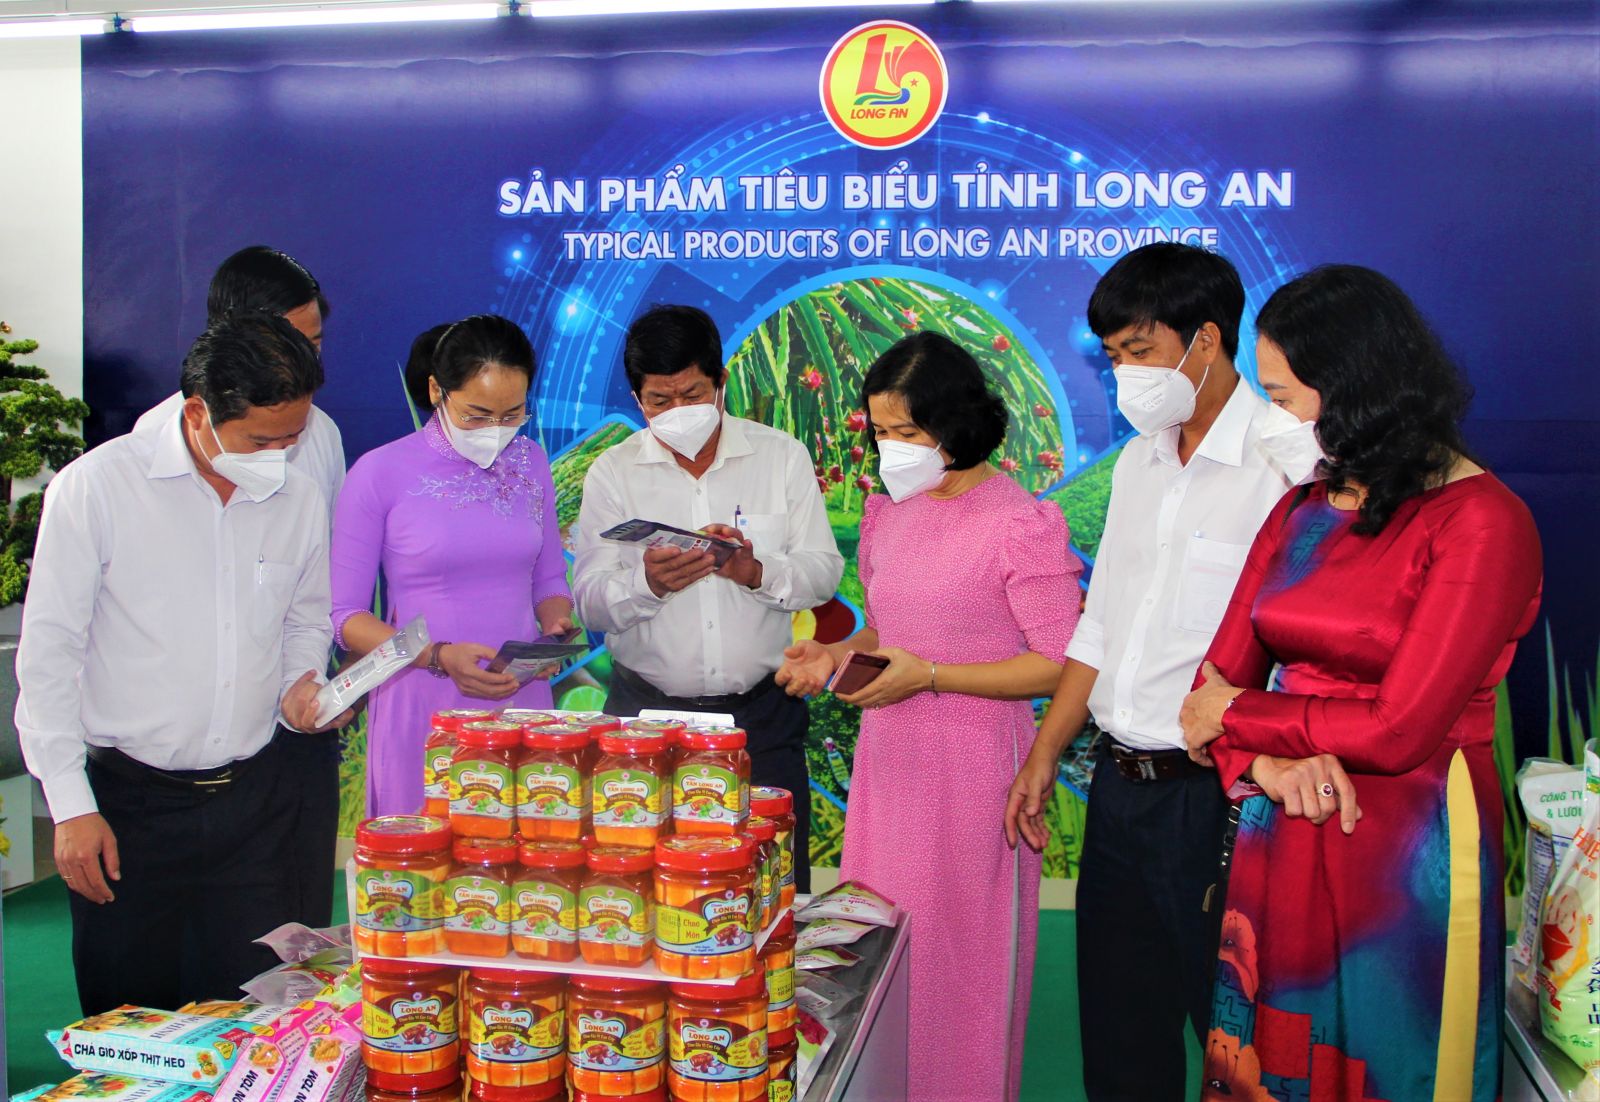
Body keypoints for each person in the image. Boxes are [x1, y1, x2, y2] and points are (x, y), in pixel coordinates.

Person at [1179, 265, 1541, 1102]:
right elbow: (1206, 696)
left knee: (1392, 1061)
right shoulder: (1302, 509)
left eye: (1283, 395)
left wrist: (1242, 715)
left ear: (1356, 390)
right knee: (1269, 1056)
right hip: (1281, 821)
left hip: (1405, 844)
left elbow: (1397, 728)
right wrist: (1261, 766)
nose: (1274, 419)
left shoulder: (1483, 520)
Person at [1003, 242, 1298, 1101]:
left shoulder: (1285, 465)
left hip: (1223, 798)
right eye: (1113, 358)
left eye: (1139, 353)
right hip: (1121, 792)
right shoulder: (1140, 463)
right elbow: (1101, 626)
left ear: (1204, 340)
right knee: (1121, 1038)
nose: (1123, 374)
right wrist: (1046, 751)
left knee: (1233, 1042)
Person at [777, 331, 1081, 1102]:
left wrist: (937, 677)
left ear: (957, 424)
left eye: (907, 433)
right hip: (892, 766)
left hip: (975, 772)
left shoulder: (1019, 521)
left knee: (959, 968)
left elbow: (1061, 660)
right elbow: (884, 634)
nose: (891, 449)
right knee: (874, 958)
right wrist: (831, 657)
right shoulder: (888, 512)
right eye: (880, 432)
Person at [16, 313, 342, 1014]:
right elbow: (47, 660)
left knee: (254, 1018)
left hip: (256, 806)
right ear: (198, 413)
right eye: (262, 440)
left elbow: (304, 618)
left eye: (294, 438)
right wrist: (70, 807)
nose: (280, 457)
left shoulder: (300, 497)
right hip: (129, 811)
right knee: (130, 1021)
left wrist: (299, 681)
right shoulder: (97, 489)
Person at [572, 304, 843, 890]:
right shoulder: (613, 474)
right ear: (637, 400)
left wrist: (754, 571)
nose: (676, 413)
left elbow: (823, 573)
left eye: (691, 395)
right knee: (641, 887)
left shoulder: (780, 457)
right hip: (644, 723)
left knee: (771, 890)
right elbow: (590, 601)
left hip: (761, 722)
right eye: (658, 402)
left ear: (721, 383)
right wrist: (648, 584)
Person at [135, 244, 347, 926]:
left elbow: (314, 586)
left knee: (294, 926)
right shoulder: (151, 453)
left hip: (292, 728)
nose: (280, 453)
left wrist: (309, 682)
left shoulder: (321, 433)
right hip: (194, 757)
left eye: (315, 342)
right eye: (296, 340)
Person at [330, 315, 572, 817]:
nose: (495, 431)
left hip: (521, 693)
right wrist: (437, 656)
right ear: (438, 390)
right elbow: (346, 618)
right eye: (477, 415)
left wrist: (555, 628)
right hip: (422, 696)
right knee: (426, 871)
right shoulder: (379, 472)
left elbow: (548, 578)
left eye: (512, 415)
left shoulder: (531, 462)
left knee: (526, 879)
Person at [137, 245, 346, 511]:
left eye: (312, 346)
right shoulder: (158, 434)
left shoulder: (321, 432)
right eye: (285, 346)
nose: (302, 360)